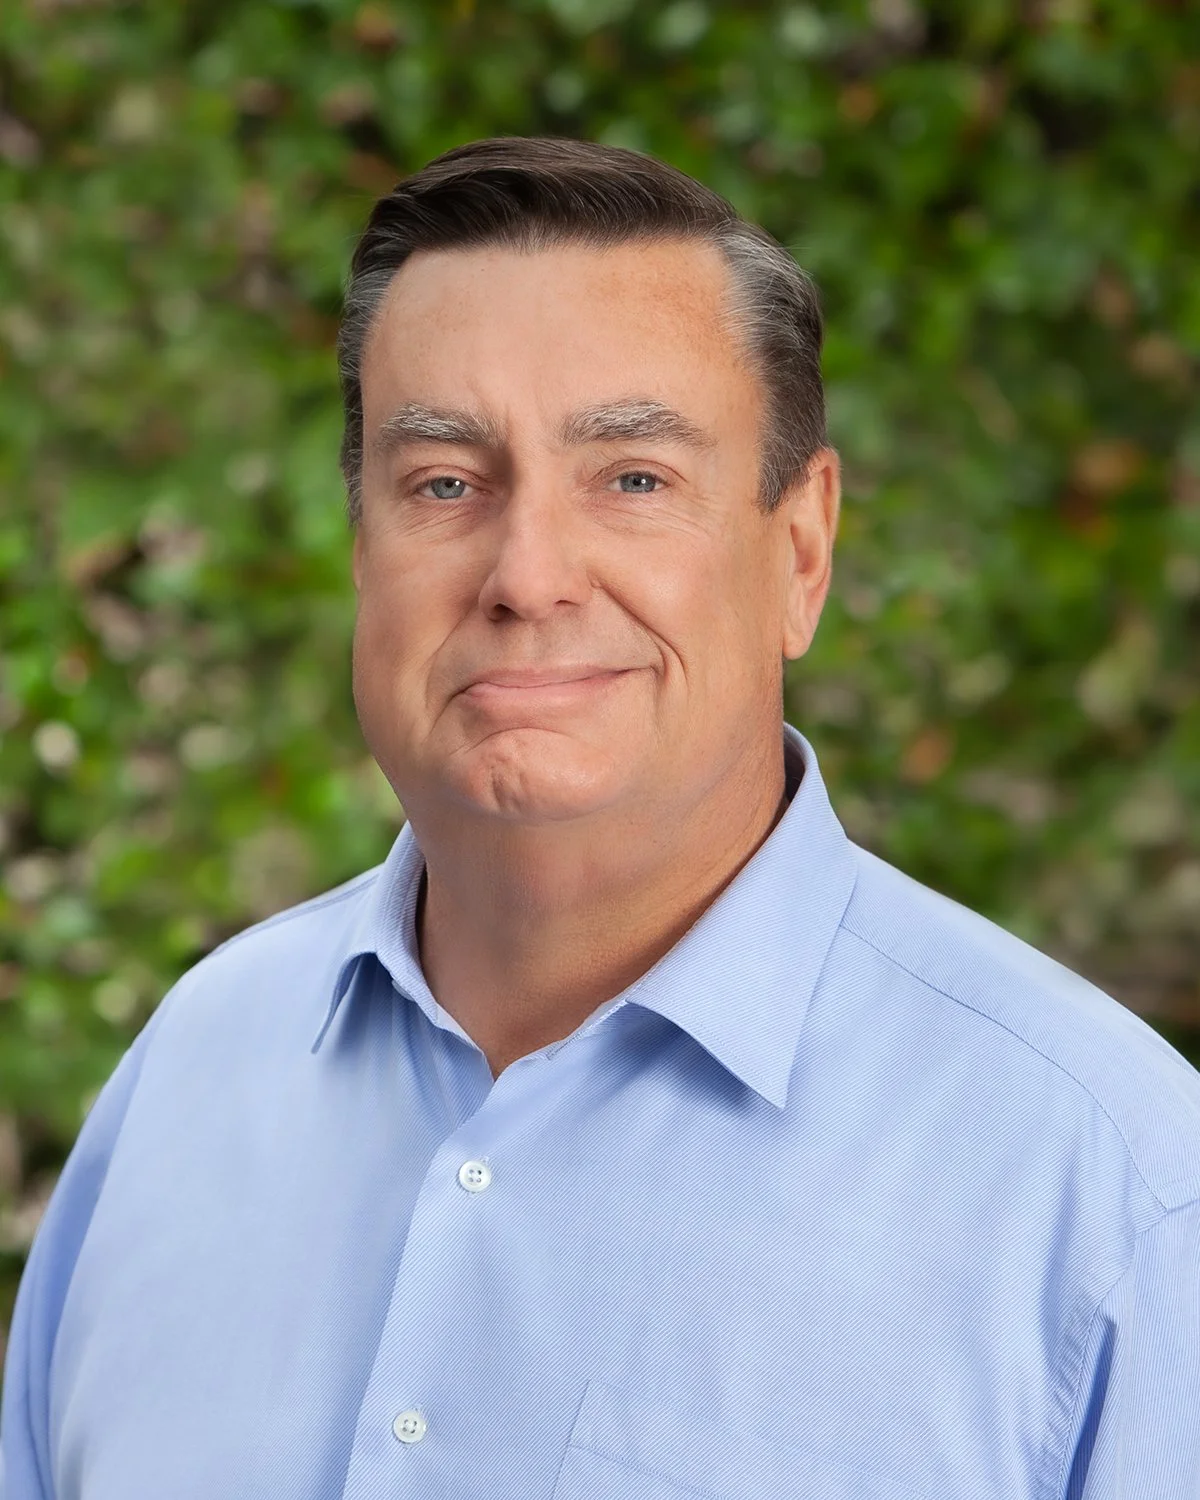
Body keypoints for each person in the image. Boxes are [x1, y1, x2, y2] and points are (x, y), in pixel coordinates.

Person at [2, 136, 1198, 1500]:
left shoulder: (1118, 1197)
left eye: (632, 478)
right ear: (360, 548)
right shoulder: (189, 1076)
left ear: (800, 553)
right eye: (445, 483)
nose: (527, 574)